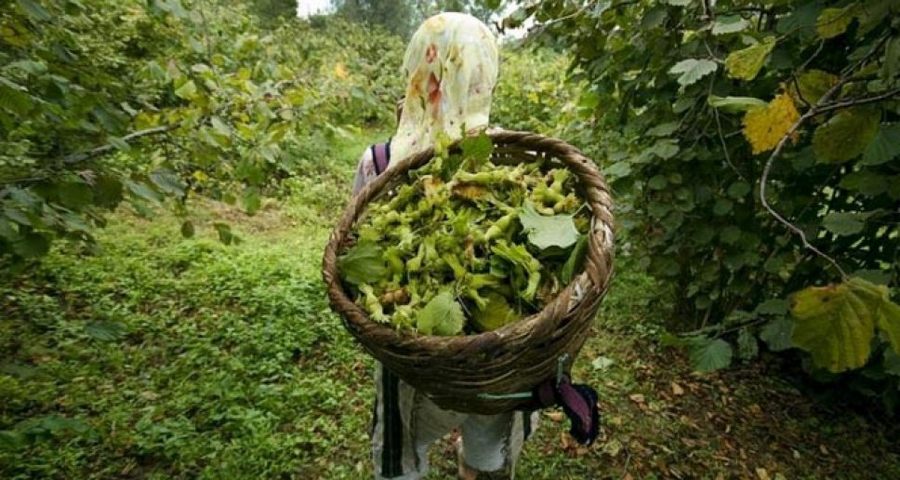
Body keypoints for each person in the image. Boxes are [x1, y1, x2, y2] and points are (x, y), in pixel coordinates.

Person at [350, 12, 540, 480]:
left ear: (417, 70)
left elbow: (354, 255)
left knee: (402, 453)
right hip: (495, 358)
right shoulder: (507, 158)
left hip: (413, 357)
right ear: (484, 75)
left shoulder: (378, 162)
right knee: (486, 452)